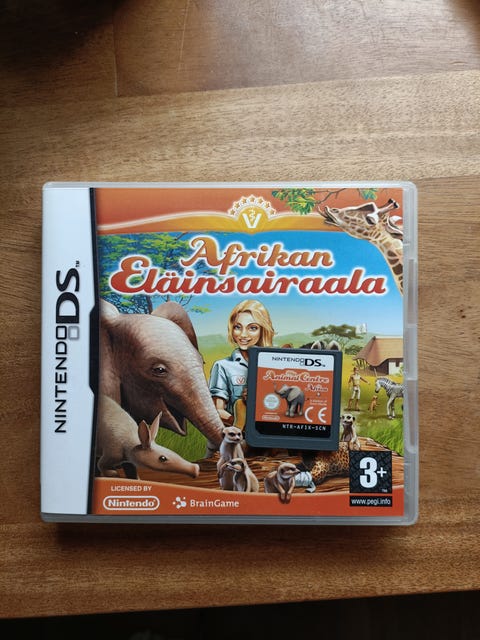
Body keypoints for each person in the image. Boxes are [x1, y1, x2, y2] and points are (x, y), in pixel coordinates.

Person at [209, 299, 275, 427]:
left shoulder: (275, 364)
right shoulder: (222, 366)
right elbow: (217, 411)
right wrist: (242, 425)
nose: (243, 334)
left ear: (263, 330)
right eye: (237, 327)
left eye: (252, 328)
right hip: (238, 435)